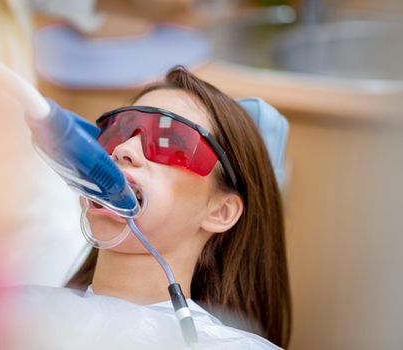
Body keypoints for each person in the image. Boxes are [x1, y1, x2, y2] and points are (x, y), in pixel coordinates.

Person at [63, 66, 292, 349]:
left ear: (220, 211)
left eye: (169, 141)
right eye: (115, 133)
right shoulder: (12, 312)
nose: (124, 150)